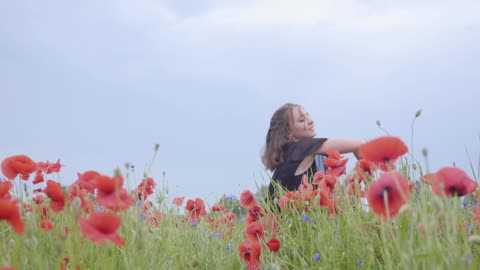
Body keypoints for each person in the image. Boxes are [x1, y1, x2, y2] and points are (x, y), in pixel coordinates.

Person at [262, 103, 363, 201]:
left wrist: (359, 172)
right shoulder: (298, 150)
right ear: (288, 133)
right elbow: (359, 145)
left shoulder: (296, 155)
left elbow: (332, 197)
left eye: (307, 116)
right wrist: (365, 167)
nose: (310, 121)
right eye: (301, 120)